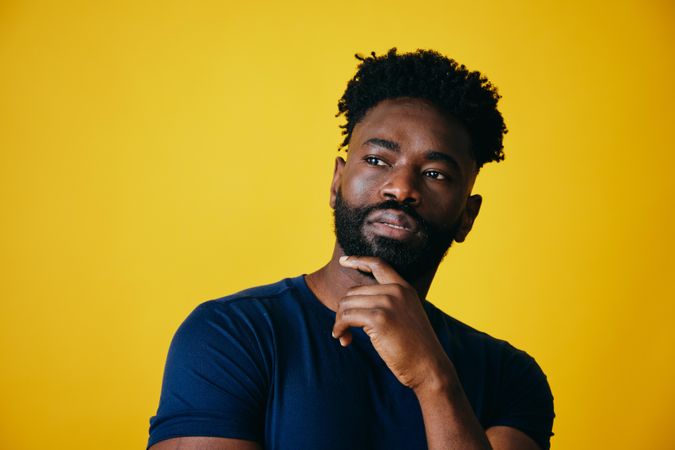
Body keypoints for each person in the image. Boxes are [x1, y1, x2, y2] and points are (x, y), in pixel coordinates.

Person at [147, 48, 555, 450]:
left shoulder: (509, 377)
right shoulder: (231, 335)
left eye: (434, 173)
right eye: (378, 160)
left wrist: (433, 378)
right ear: (336, 182)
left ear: (467, 215)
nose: (401, 187)